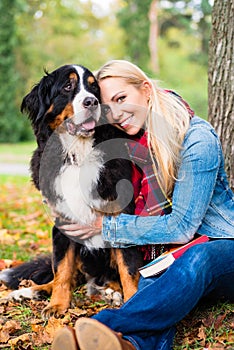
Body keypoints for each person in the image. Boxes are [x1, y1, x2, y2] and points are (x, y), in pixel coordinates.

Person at [51, 60, 234, 350]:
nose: (116, 113)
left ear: (146, 90)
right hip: (170, 253)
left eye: (122, 98)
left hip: (221, 246)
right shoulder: (129, 143)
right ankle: (128, 346)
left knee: (198, 258)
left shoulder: (197, 139)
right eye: (107, 107)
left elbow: (182, 227)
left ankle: (104, 325)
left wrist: (105, 226)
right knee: (153, 279)